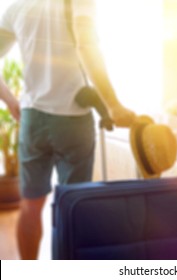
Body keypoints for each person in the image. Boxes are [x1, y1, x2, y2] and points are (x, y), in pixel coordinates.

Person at [0, 0, 136, 259]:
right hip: (73, 118)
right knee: (71, 206)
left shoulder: (18, 6)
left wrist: (10, 100)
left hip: (32, 119)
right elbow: (86, 44)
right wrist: (113, 103)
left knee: (30, 206)